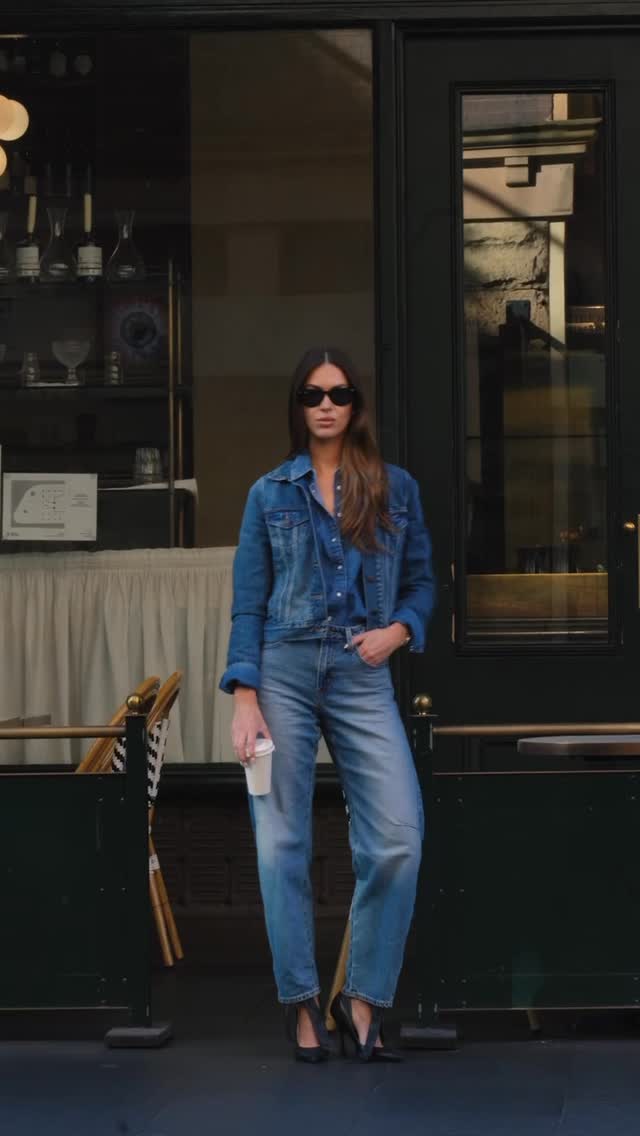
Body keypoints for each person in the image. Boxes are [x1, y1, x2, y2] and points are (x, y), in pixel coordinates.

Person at [219, 346, 435, 1063]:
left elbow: (425, 584)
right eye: (313, 393)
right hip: (280, 665)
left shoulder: (393, 488)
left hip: (360, 668)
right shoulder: (268, 493)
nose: (326, 404)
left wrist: (398, 632)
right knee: (282, 841)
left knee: (399, 835)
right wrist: (243, 697)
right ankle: (303, 1002)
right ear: (298, 404)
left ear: (356, 405)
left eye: (339, 393)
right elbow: (247, 604)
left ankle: (363, 995)